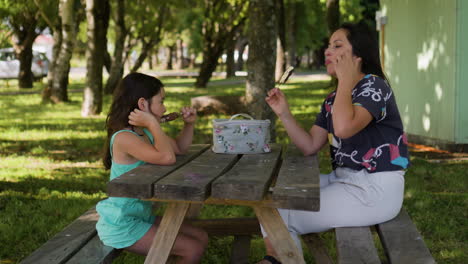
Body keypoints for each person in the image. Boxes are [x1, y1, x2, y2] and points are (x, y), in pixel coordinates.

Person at [259, 23, 410, 264]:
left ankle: (276, 259)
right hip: (344, 179)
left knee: (280, 214)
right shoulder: (333, 99)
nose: (328, 51)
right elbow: (310, 146)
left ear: (358, 56)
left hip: (375, 188)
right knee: (271, 198)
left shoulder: (374, 86)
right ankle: (278, 257)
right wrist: (283, 113)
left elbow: (344, 128)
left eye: (337, 46)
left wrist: (345, 81)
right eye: (328, 46)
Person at [96, 72, 208, 263]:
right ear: (142, 104)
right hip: (122, 223)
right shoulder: (125, 137)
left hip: (141, 216)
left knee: (201, 237)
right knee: (192, 248)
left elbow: (178, 149)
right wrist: (152, 123)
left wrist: (189, 125)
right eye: (161, 101)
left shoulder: (145, 131)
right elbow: (167, 158)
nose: (165, 108)